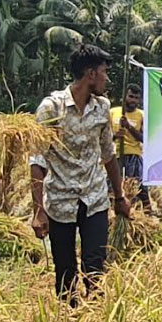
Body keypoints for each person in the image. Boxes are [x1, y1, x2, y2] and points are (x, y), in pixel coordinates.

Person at [29, 44, 131, 305]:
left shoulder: (102, 107)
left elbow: (108, 155)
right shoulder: (52, 109)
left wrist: (119, 196)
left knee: (95, 267)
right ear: (91, 74)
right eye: (104, 72)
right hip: (61, 201)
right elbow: (37, 162)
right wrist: (38, 211)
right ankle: (68, 317)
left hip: (95, 199)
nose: (107, 79)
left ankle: (95, 317)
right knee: (65, 271)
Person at [111, 84, 148, 209]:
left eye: (136, 98)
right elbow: (104, 137)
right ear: (125, 96)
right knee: (114, 188)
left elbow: (144, 138)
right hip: (116, 155)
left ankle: (145, 212)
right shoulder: (113, 112)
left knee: (138, 188)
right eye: (131, 96)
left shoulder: (142, 115)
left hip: (134, 156)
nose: (133, 100)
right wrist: (115, 135)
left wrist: (128, 127)